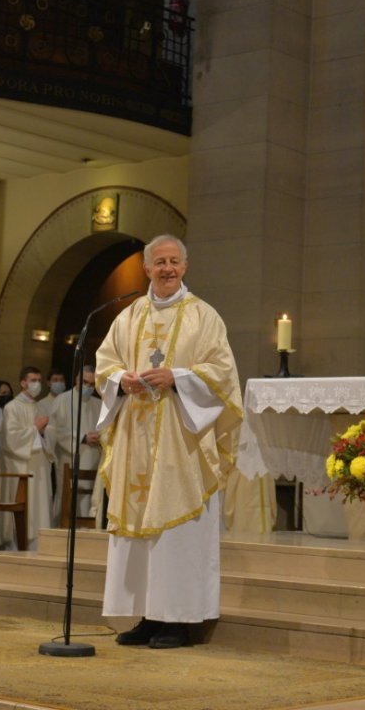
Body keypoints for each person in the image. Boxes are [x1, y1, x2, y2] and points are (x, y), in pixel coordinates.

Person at [95, 234, 243, 650]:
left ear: (185, 266)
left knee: (178, 531)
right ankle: (144, 615)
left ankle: (177, 620)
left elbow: (224, 373)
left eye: (174, 262)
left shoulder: (204, 316)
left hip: (182, 441)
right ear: (146, 268)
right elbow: (105, 364)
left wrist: (178, 377)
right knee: (138, 532)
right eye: (159, 262)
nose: (167, 269)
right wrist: (118, 380)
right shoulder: (127, 317)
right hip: (134, 439)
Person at [0, 367, 53, 549]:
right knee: (23, 504)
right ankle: (13, 544)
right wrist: (35, 429)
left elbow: (51, 436)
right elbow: (10, 439)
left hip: (39, 467)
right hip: (19, 467)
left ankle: (37, 545)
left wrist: (43, 433)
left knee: (39, 506)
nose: (37, 384)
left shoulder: (40, 407)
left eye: (39, 380)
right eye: (33, 380)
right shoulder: (12, 407)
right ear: (23, 383)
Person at [46, 364, 102, 527]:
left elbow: (107, 428)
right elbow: (55, 430)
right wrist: (82, 438)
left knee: (89, 500)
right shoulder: (62, 400)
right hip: (69, 459)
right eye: (85, 382)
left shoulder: (99, 404)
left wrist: (101, 437)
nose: (88, 387)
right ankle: (63, 532)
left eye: (92, 384)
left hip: (93, 459)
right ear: (77, 380)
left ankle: (88, 532)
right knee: (67, 500)